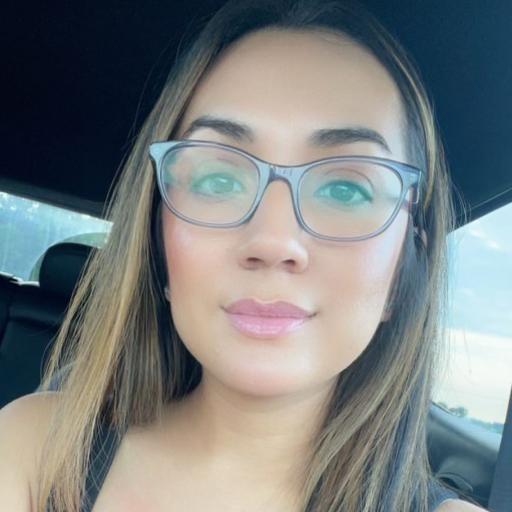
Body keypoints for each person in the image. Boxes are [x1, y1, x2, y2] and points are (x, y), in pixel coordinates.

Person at [0, 0, 488, 511]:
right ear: (159, 247)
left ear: (404, 272)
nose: (273, 241)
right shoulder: (37, 452)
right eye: (218, 179)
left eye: (345, 190)